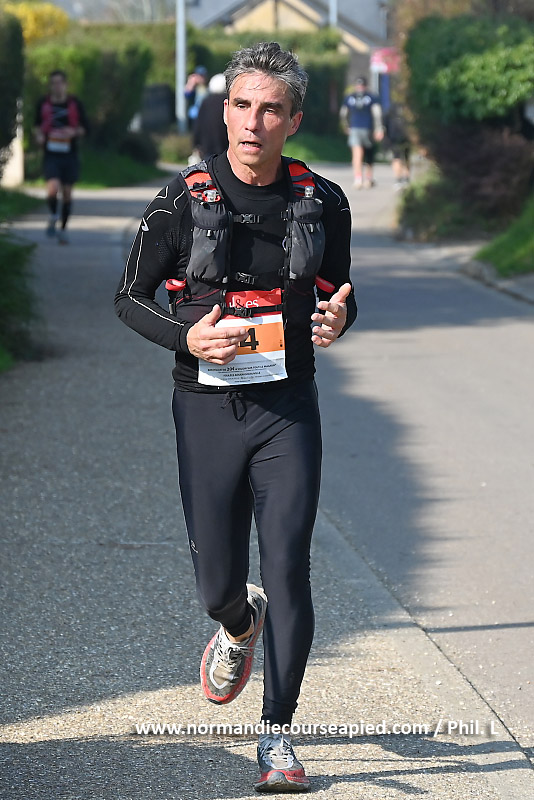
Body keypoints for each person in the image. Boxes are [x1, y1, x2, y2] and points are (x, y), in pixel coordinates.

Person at [115, 41, 356, 793]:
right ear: (224, 112)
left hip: (288, 408)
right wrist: (184, 337)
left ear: (294, 120)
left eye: (270, 109)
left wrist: (338, 319)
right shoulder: (180, 201)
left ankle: (277, 736)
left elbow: (338, 292)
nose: (253, 122)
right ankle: (236, 623)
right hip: (207, 406)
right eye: (242, 105)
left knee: (287, 564)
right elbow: (128, 298)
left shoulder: (323, 200)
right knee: (218, 582)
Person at [34, 69, 88, 244]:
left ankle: (63, 229)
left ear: (65, 85)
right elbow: (36, 125)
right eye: (53, 83)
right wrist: (39, 136)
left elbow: (85, 127)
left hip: (69, 154)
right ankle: (53, 215)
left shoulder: (75, 104)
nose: (56, 86)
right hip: (51, 154)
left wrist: (73, 132)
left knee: (67, 194)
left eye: (59, 83)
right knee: (52, 188)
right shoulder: (43, 103)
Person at [340, 76, 384, 189]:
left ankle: (358, 179)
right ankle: (368, 179)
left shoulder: (350, 97)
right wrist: (379, 128)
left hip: (355, 128)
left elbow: (343, 114)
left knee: (357, 154)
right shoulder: (372, 97)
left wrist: (345, 126)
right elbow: (377, 113)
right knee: (368, 154)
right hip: (367, 128)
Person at [193, 72, 229, 160]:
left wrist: (196, 143)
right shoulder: (229, 102)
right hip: (226, 146)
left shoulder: (206, 102)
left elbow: (199, 124)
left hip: (208, 147)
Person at [385, 102, 411, 190]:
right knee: (406, 157)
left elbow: (386, 122)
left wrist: (387, 138)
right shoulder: (408, 108)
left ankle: (398, 179)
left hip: (394, 137)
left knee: (396, 158)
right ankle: (406, 179)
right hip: (406, 137)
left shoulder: (391, 108)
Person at [184, 65, 209, 131]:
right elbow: (187, 94)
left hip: (206, 115)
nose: (201, 78)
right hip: (196, 116)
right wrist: (191, 82)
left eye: (203, 76)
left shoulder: (208, 87)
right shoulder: (194, 88)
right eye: (199, 76)